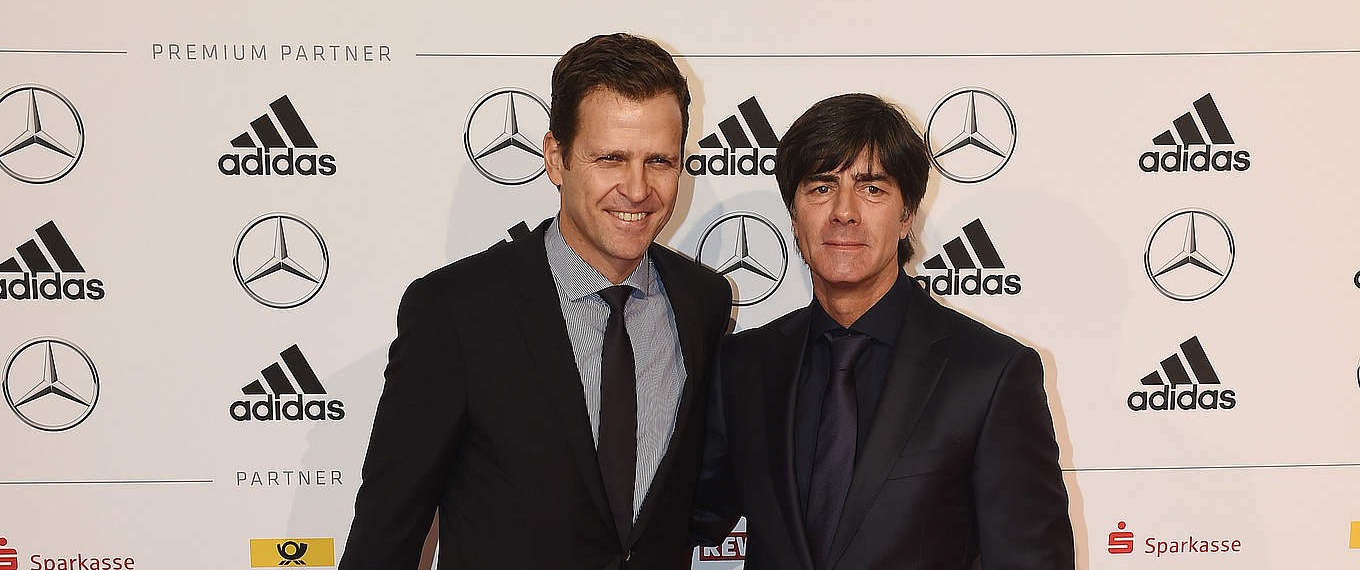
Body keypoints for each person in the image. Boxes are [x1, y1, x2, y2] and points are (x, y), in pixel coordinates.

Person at [341, 33, 732, 569]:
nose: (637, 189)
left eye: (659, 161)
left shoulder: (703, 302)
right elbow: (388, 534)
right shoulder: (455, 312)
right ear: (556, 158)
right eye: (611, 159)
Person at [693, 93, 1073, 569]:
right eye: (821, 187)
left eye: (871, 188)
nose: (844, 212)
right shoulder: (743, 366)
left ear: (907, 214)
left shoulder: (991, 374)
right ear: (793, 215)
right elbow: (680, 520)